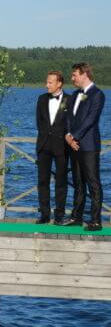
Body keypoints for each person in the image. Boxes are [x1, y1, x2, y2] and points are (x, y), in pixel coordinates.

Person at [64, 63, 105, 231]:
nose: (72, 78)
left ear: (84, 75)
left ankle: (96, 221)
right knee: (78, 182)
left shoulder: (97, 94)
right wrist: (68, 135)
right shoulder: (75, 95)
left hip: (88, 146)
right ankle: (76, 217)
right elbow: (69, 118)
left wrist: (74, 136)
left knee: (93, 183)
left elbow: (91, 119)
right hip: (73, 145)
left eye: (74, 75)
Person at [35, 71, 70, 225]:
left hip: (62, 146)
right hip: (43, 145)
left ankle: (59, 215)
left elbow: (71, 122)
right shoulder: (41, 99)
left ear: (59, 83)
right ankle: (44, 214)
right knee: (42, 181)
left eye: (50, 82)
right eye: (46, 82)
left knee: (61, 182)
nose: (46, 85)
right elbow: (39, 122)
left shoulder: (70, 99)